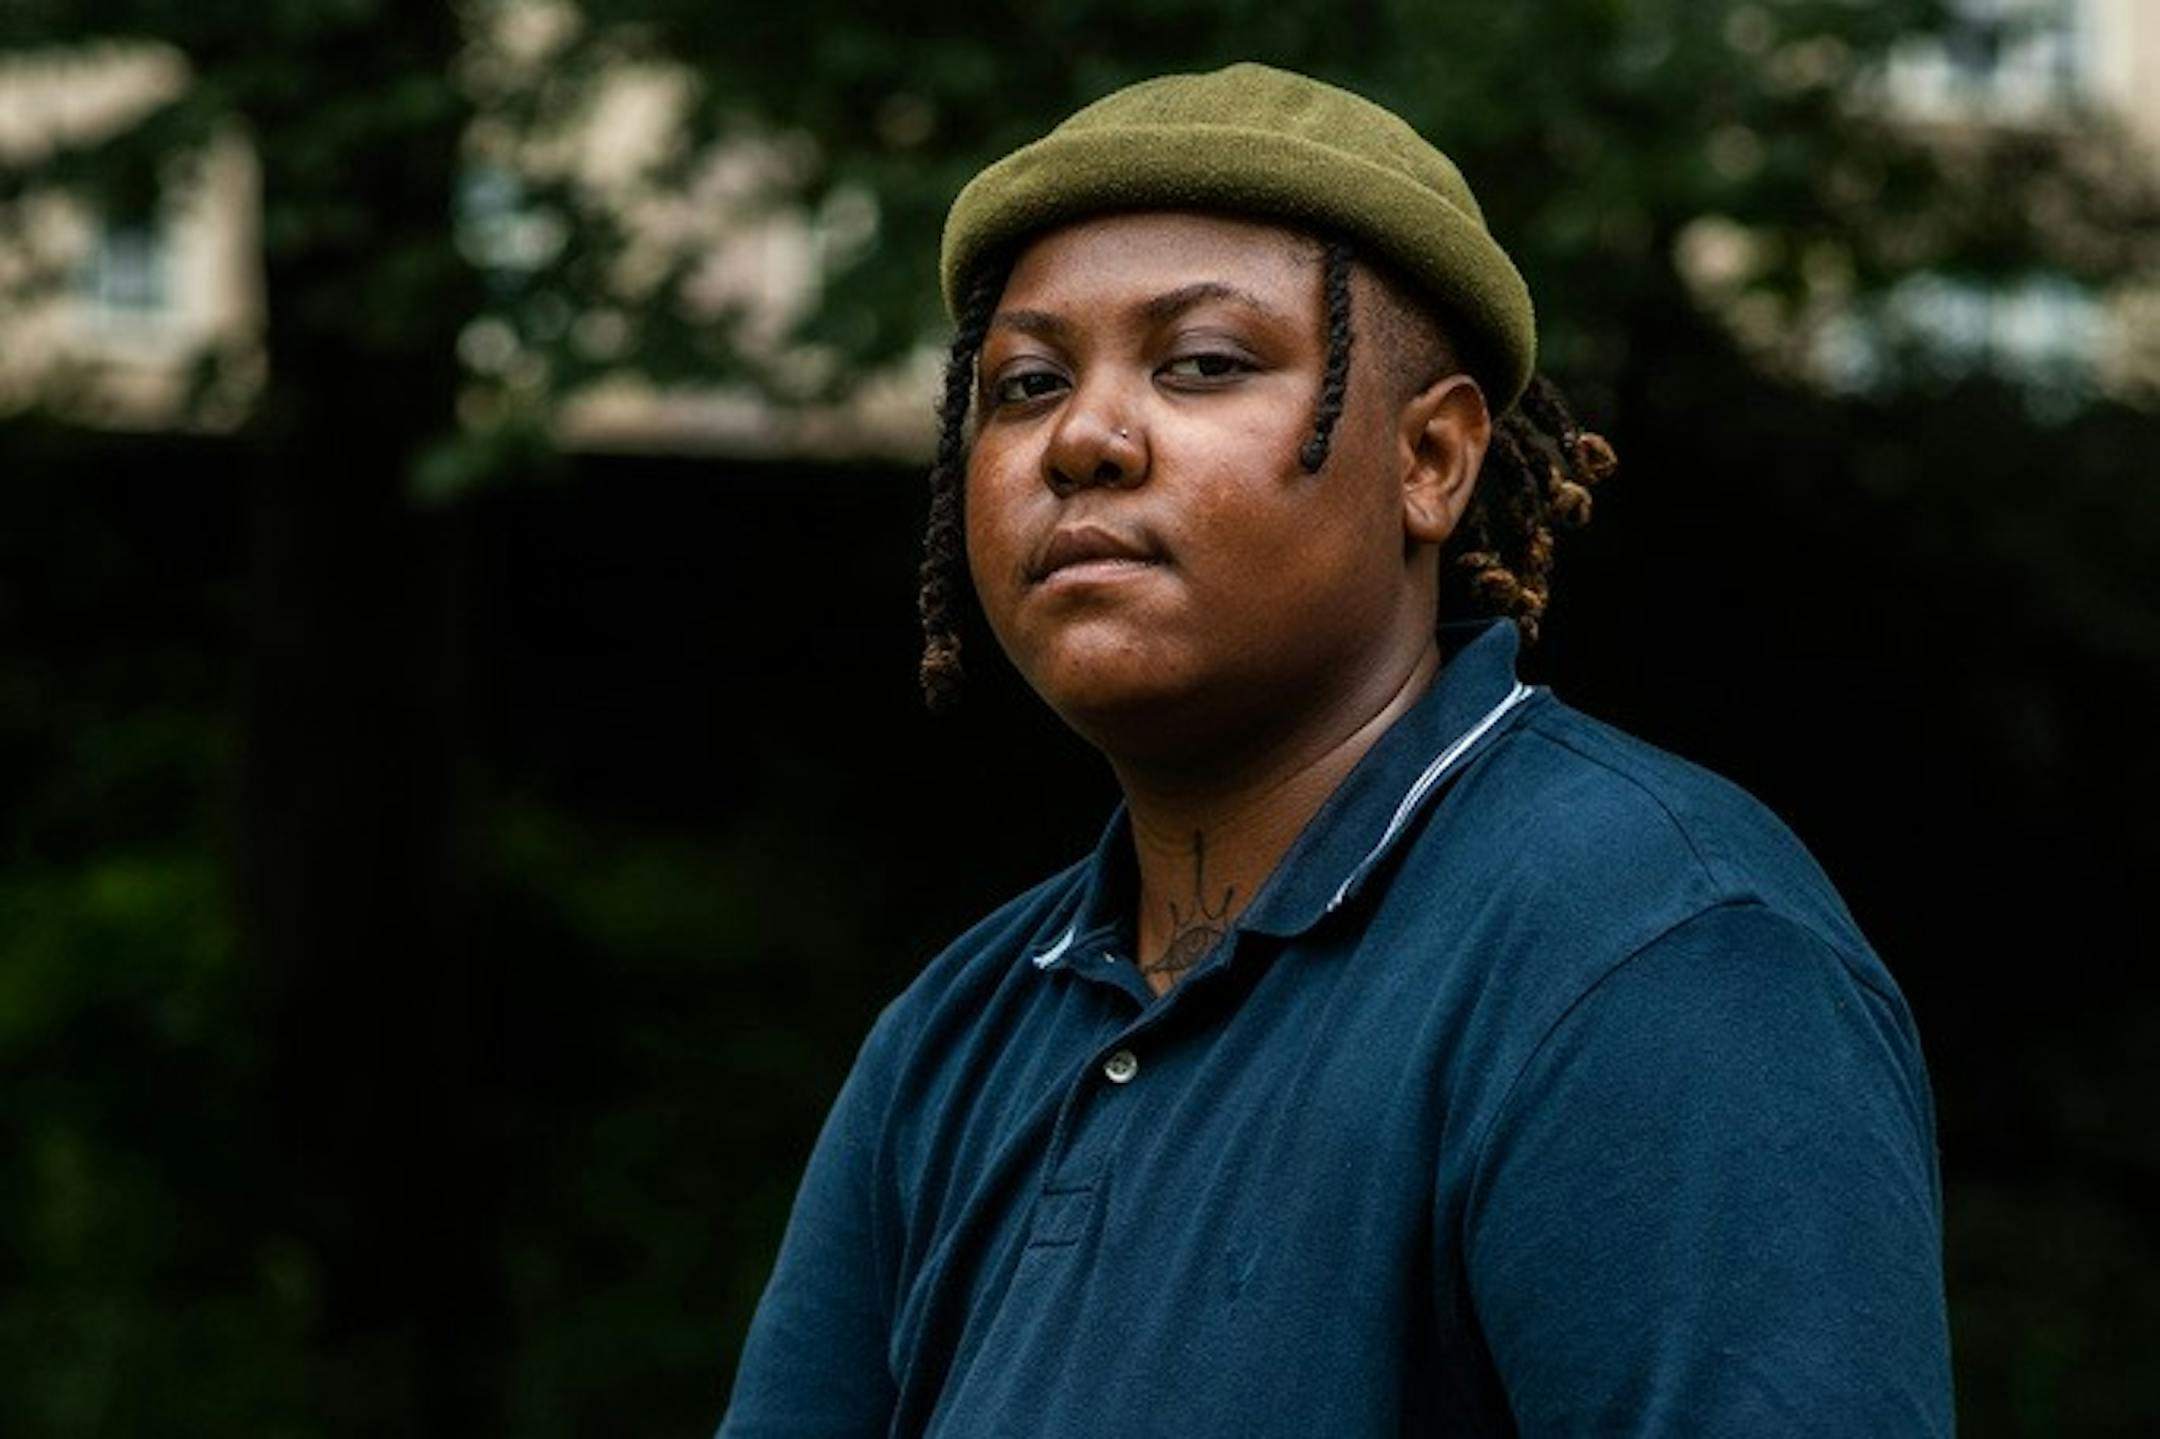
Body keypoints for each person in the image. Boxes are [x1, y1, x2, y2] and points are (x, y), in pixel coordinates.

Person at [719, 62, 1952, 1437]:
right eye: (1024, 383)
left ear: (1432, 461)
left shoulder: (1654, 945)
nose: (1085, 438)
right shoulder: (955, 1036)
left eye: (1201, 364)